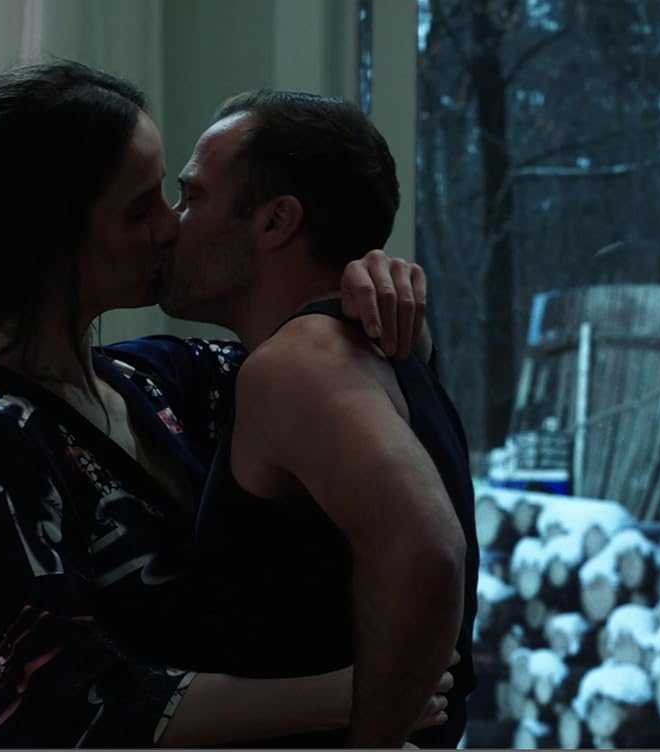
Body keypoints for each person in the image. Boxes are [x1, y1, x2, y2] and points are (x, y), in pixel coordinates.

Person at [0, 60, 446, 748]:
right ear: (53, 238)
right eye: (141, 209)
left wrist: (376, 294)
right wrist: (356, 696)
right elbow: (47, 706)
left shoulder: (162, 379)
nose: (170, 226)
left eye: (170, 195)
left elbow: (329, 388)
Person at [158, 91, 479, 747]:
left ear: (275, 221)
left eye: (191, 197)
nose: (172, 223)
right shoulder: (369, 351)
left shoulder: (301, 365)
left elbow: (429, 553)